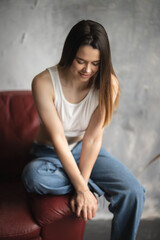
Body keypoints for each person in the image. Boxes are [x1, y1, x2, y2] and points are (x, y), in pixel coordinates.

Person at [22, 20, 145, 240]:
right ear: (69, 54)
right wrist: (81, 187)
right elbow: (58, 139)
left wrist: (82, 186)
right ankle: (94, 186)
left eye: (96, 63)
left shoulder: (109, 84)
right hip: (50, 154)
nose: (88, 70)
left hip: (85, 149)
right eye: (81, 61)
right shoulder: (43, 83)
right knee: (33, 177)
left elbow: (93, 138)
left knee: (133, 192)